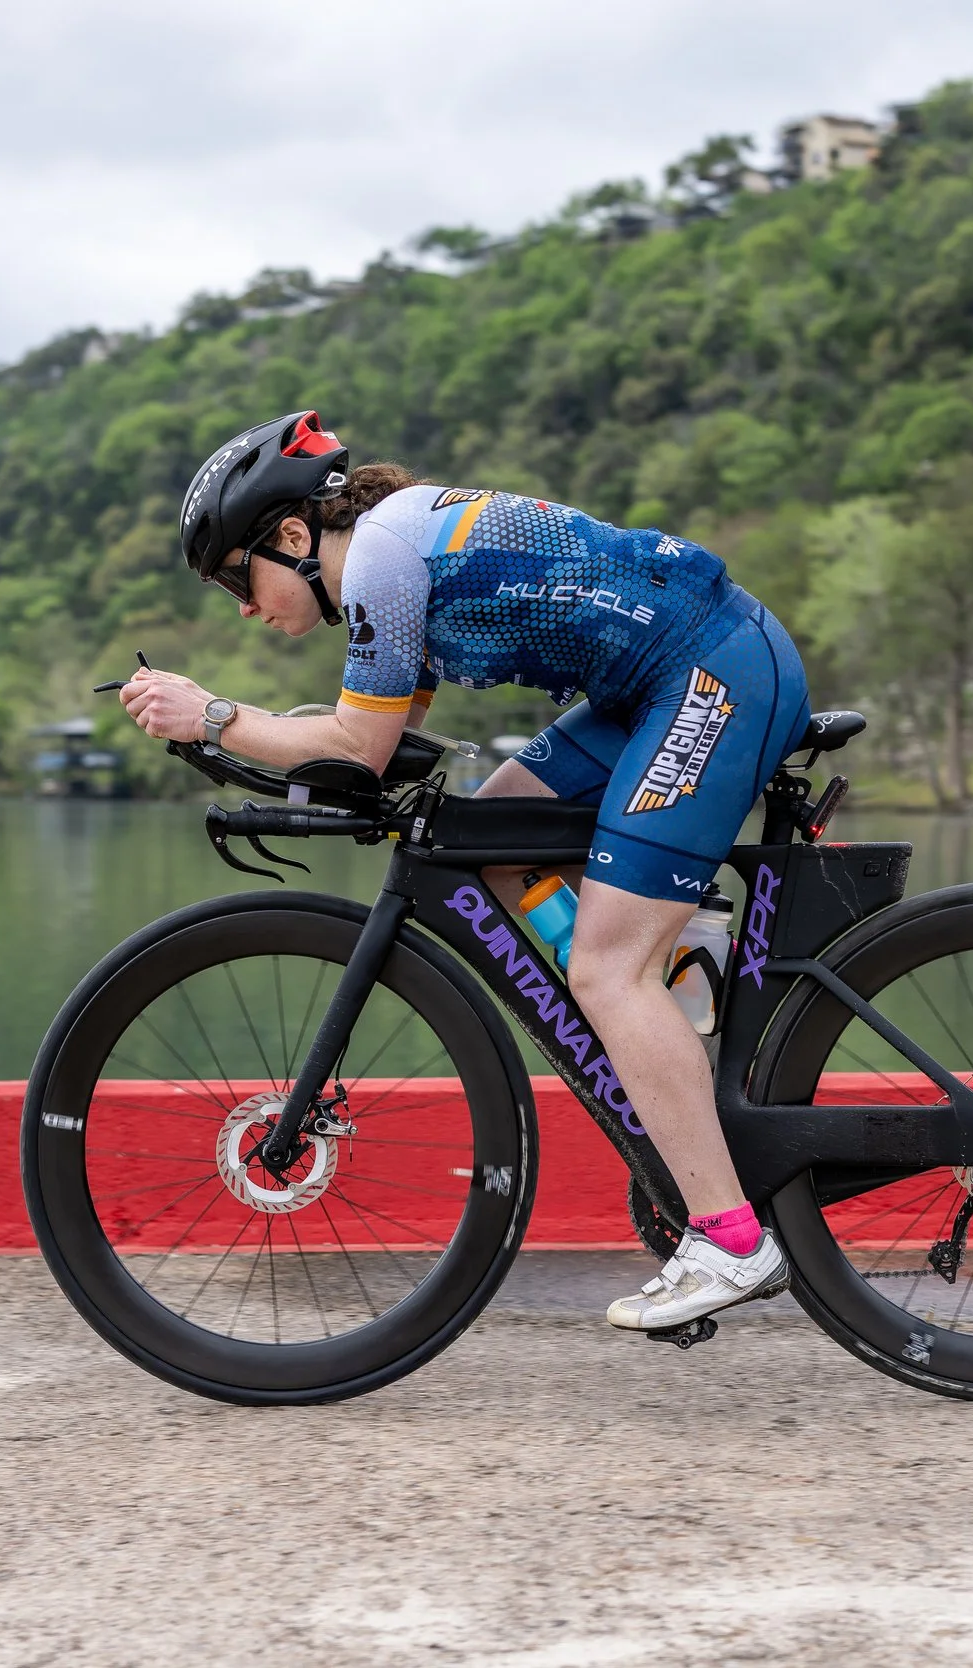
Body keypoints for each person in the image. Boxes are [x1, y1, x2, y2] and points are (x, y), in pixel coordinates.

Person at [121, 410, 813, 1331]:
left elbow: (359, 746)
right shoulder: (393, 549)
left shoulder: (377, 558)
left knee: (607, 969)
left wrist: (209, 717)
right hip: (662, 678)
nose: (246, 609)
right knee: (493, 832)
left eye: (236, 582)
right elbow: (374, 743)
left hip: (709, 673)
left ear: (291, 537)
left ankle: (729, 1236)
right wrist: (249, 749)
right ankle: (680, 988)